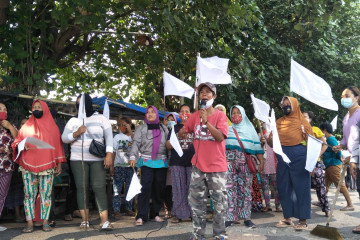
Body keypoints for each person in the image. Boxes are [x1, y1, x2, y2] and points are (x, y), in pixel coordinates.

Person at [178, 82, 228, 240]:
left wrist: (206, 121)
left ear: (214, 96)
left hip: (217, 167)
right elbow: (184, 132)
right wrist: (182, 133)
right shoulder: (194, 116)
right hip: (198, 166)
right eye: (201, 93)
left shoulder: (220, 116)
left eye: (208, 92)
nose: (204, 95)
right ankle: (198, 234)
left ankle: (219, 233)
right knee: (196, 202)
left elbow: (220, 137)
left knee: (219, 203)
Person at [61, 94, 114, 230]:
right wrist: (76, 133)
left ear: (90, 104)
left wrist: (109, 154)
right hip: (78, 159)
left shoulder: (101, 118)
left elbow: (109, 137)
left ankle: (104, 220)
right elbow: (64, 138)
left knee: (99, 187)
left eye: (84, 103)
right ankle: (85, 220)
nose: (81, 107)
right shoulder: (73, 121)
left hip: (97, 158)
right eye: (78, 104)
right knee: (82, 188)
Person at [12, 100, 65, 233]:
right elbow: (17, 141)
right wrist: (20, 145)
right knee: (28, 195)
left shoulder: (53, 127)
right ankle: (29, 222)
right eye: (34, 107)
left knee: (46, 195)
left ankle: (45, 222)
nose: (36, 109)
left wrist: (59, 163)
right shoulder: (26, 126)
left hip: (48, 165)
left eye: (39, 107)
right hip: (28, 165)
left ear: (45, 109)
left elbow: (58, 146)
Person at [267, 96, 313, 231]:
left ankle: (303, 219)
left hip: (300, 155)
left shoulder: (303, 122)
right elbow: (272, 143)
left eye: (288, 104)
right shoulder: (279, 122)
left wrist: (312, 162)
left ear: (295, 106)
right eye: (284, 104)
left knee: (301, 187)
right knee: (283, 187)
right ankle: (287, 217)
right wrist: (269, 138)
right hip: (282, 155)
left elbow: (311, 142)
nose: (285, 107)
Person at [224, 105, 264, 229]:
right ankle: (230, 218)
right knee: (230, 189)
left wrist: (261, 161)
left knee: (245, 190)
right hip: (229, 162)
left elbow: (257, 147)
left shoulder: (250, 129)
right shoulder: (227, 128)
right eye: (233, 113)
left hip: (245, 162)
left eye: (238, 113)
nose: (235, 115)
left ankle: (247, 218)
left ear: (243, 114)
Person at [129, 106, 169, 226]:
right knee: (145, 188)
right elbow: (135, 143)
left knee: (158, 189)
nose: (150, 114)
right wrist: (132, 157)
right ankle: (141, 215)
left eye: (153, 112)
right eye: (148, 112)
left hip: (161, 162)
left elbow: (169, 145)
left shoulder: (164, 128)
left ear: (157, 114)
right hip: (146, 161)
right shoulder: (141, 128)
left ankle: (155, 213)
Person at [331, 86, 360, 234]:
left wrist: (354, 159)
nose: (344, 99)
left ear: (356, 98)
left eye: (347, 96)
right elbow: (346, 138)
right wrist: (340, 146)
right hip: (353, 156)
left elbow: (358, 140)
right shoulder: (346, 117)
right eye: (342, 96)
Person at [166, 104, 195, 223]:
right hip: (177, 162)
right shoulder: (174, 128)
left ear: (191, 114)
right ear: (179, 114)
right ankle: (179, 214)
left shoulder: (195, 127)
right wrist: (178, 136)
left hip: (192, 162)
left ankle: (193, 214)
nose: (184, 113)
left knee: (192, 189)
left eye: (187, 111)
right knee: (178, 189)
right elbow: (168, 146)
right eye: (182, 111)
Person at [319, 122, 354, 210]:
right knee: (325, 184)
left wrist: (340, 159)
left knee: (340, 184)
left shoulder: (331, 139)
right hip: (330, 165)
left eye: (321, 130)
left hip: (333, 164)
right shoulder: (328, 139)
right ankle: (322, 201)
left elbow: (338, 150)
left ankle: (350, 205)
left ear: (324, 130)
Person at [303, 111, 330, 216]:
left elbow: (325, 144)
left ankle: (326, 209)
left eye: (305, 117)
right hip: (302, 162)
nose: (303, 118)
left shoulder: (315, 130)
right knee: (303, 186)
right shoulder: (297, 131)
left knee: (320, 185)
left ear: (310, 119)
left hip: (315, 162)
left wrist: (316, 156)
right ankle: (303, 211)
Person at [110, 116, 135, 219]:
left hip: (131, 166)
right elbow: (113, 152)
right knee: (117, 189)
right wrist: (112, 166)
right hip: (119, 166)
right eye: (120, 125)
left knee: (130, 188)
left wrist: (130, 130)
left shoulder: (133, 136)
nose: (121, 127)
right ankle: (116, 210)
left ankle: (129, 208)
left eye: (123, 125)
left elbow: (137, 142)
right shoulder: (116, 137)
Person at [0, 102, 18, 231]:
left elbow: (19, 141)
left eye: (5, 109)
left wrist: (10, 127)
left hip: (7, 167)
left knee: (2, 195)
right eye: (0, 109)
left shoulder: (11, 127)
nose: (3, 111)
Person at [259, 122, 281, 212]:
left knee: (276, 186)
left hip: (274, 163)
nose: (266, 125)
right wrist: (261, 143)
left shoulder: (276, 135)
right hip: (263, 163)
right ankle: (267, 205)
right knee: (265, 186)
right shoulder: (259, 135)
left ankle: (277, 205)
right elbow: (257, 149)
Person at [164, 113, 176, 218]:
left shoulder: (177, 131)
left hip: (176, 163)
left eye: (172, 120)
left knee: (175, 187)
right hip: (165, 163)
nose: (170, 122)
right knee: (167, 187)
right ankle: (168, 209)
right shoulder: (163, 131)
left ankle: (175, 209)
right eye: (168, 120)